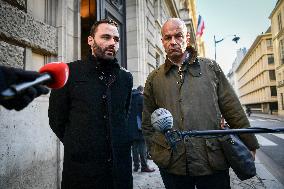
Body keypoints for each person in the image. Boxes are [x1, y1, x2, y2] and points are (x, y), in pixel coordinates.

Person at [142, 18, 259, 189]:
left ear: (187, 38)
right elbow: (147, 121)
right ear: (162, 41)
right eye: (168, 38)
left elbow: (232, 108)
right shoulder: (154, 78)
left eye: (178, 36)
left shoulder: (211, 68)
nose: (173, 42)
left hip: (212, 160)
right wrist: (155, 150)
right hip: (173, 163)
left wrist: (250, 143)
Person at [48, 19, 133, 189]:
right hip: (82, 173)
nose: (112, 43)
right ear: (90, 40)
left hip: (119, 172)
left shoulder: (126, 78)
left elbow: (123, 115)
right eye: (106, 37)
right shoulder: (69, 72)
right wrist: (78, 143)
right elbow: (56, 119)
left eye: (116, 39)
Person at [128, 85, 155, 173]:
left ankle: (136, 166)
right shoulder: (141, 98)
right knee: (143, 146)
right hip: (140, 126)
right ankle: (144, 166)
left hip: (130, 127)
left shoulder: (129, 98)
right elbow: (145, 113)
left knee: (134, 147)